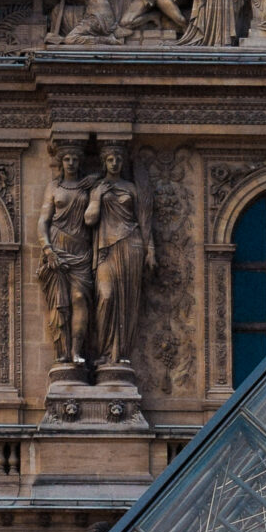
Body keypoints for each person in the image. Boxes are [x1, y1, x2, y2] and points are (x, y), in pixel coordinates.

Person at [85, 144, 153, 370]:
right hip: (106, 246)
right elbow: (89, 220)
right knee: (106, 296)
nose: (115, 163)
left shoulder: (131, 188)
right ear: (104, 162)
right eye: (111, 159)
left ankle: (119, 355)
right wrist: (97, 198)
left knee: (127, 302)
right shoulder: (98, 188)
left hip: (131, 244)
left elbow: (144, 220)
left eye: (118, 160)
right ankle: (105, 352)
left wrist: (150, 249)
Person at [36, 146, 96, 374]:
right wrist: (48, 250)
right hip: (58, 251)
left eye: (75, 158)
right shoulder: (53, 187)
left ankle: (76, 351)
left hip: (82, 251)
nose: (70, 162)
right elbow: (43, 221)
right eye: (67, 158)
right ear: (60, 162)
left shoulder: (88, 186)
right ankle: (62, 351)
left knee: (80, 299)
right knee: (60, 306)